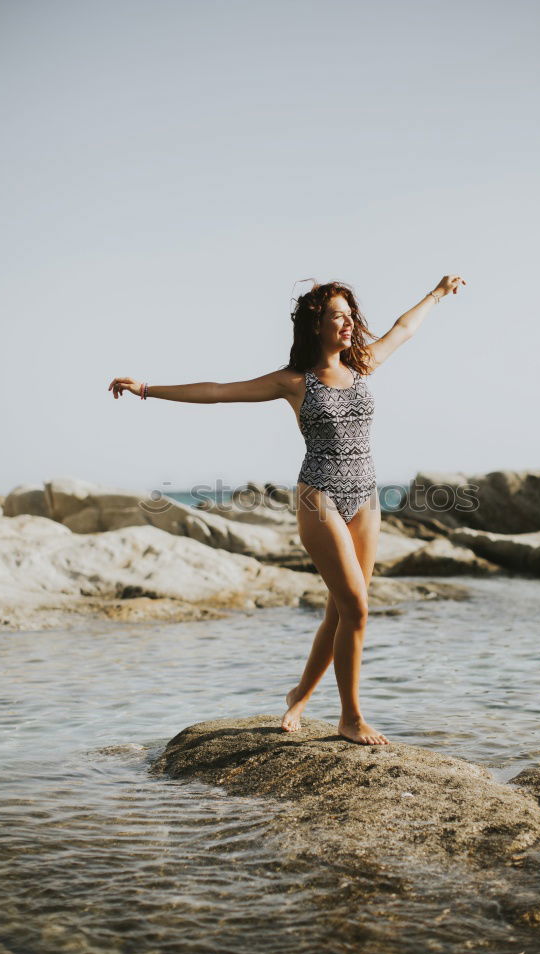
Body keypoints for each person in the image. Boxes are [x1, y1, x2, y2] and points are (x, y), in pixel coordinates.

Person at [107, 274, 466, 745]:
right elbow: (218, 391)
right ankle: (350, 717)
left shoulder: (364, 365)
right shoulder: (294, 381)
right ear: (316, 325)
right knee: (357, 607)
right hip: (319, 494)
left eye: (349, 314)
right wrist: (149, 388)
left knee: (340, 611)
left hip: (365, 497)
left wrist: (437, 294)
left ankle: (299, 695)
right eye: (337, 315)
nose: (348, 322)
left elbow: (403, 328)